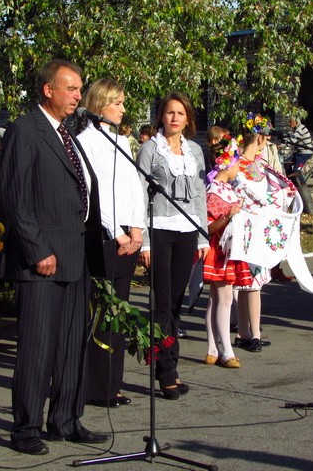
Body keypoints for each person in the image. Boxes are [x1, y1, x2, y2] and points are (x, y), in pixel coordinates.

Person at [0, 59, 109, 455]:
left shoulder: (70, 134)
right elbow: (15, 197)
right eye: (72, 88)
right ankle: (26, 426)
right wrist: (36, 248)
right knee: (36, 347)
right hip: (43, 259)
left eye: (80, 89)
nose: (79, 96)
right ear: (48, 89)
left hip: (75, 255)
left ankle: (65, 419)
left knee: (70, 345)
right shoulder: (24, 130)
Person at [76, 78, 145, 408]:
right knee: (101, 314)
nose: (122, 108)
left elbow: (133, 187)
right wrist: (115, 231)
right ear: (100, 104)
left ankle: (113, 384)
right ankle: (96, 387)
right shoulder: (83, 142)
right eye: (117, 102)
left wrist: (137, 230)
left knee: (119, 313)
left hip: (127, 240)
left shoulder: (120, 140)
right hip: (103, 239)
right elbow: (92, 193)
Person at [136, 92, 209, 400]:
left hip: (186, 231)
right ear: (161, 117)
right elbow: (139, 192)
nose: (175, 118)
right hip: (160, 230)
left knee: (176, 302)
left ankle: (170, 368)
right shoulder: (150, 149)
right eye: (169, 113)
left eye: (180, 113)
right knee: (163, 303)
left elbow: (200, 195)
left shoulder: (194, 150)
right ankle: (165, 373)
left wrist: (203, 235)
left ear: (188, 119)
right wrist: (144, 240)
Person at [232, 113, 296, 352]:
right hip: (244, 228)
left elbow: (281, 189)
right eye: (265, 138)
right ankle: (252, 334)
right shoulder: (236, 164)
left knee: (251, 283)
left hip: (258, 228)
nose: (267, 142)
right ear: (258, 138)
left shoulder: (260, 165)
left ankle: (245, 332)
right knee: (249, 283)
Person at [203, 134, 250, 367]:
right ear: (228, 163)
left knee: (217, 299)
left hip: (229, 250)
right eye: (237, 161)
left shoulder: (227, 189)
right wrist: (228, 216)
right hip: (219, 251)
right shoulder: (214, 192)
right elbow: (208, 227)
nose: (239, 166)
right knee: (224, 298)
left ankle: (213, 347)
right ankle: (226, 351)